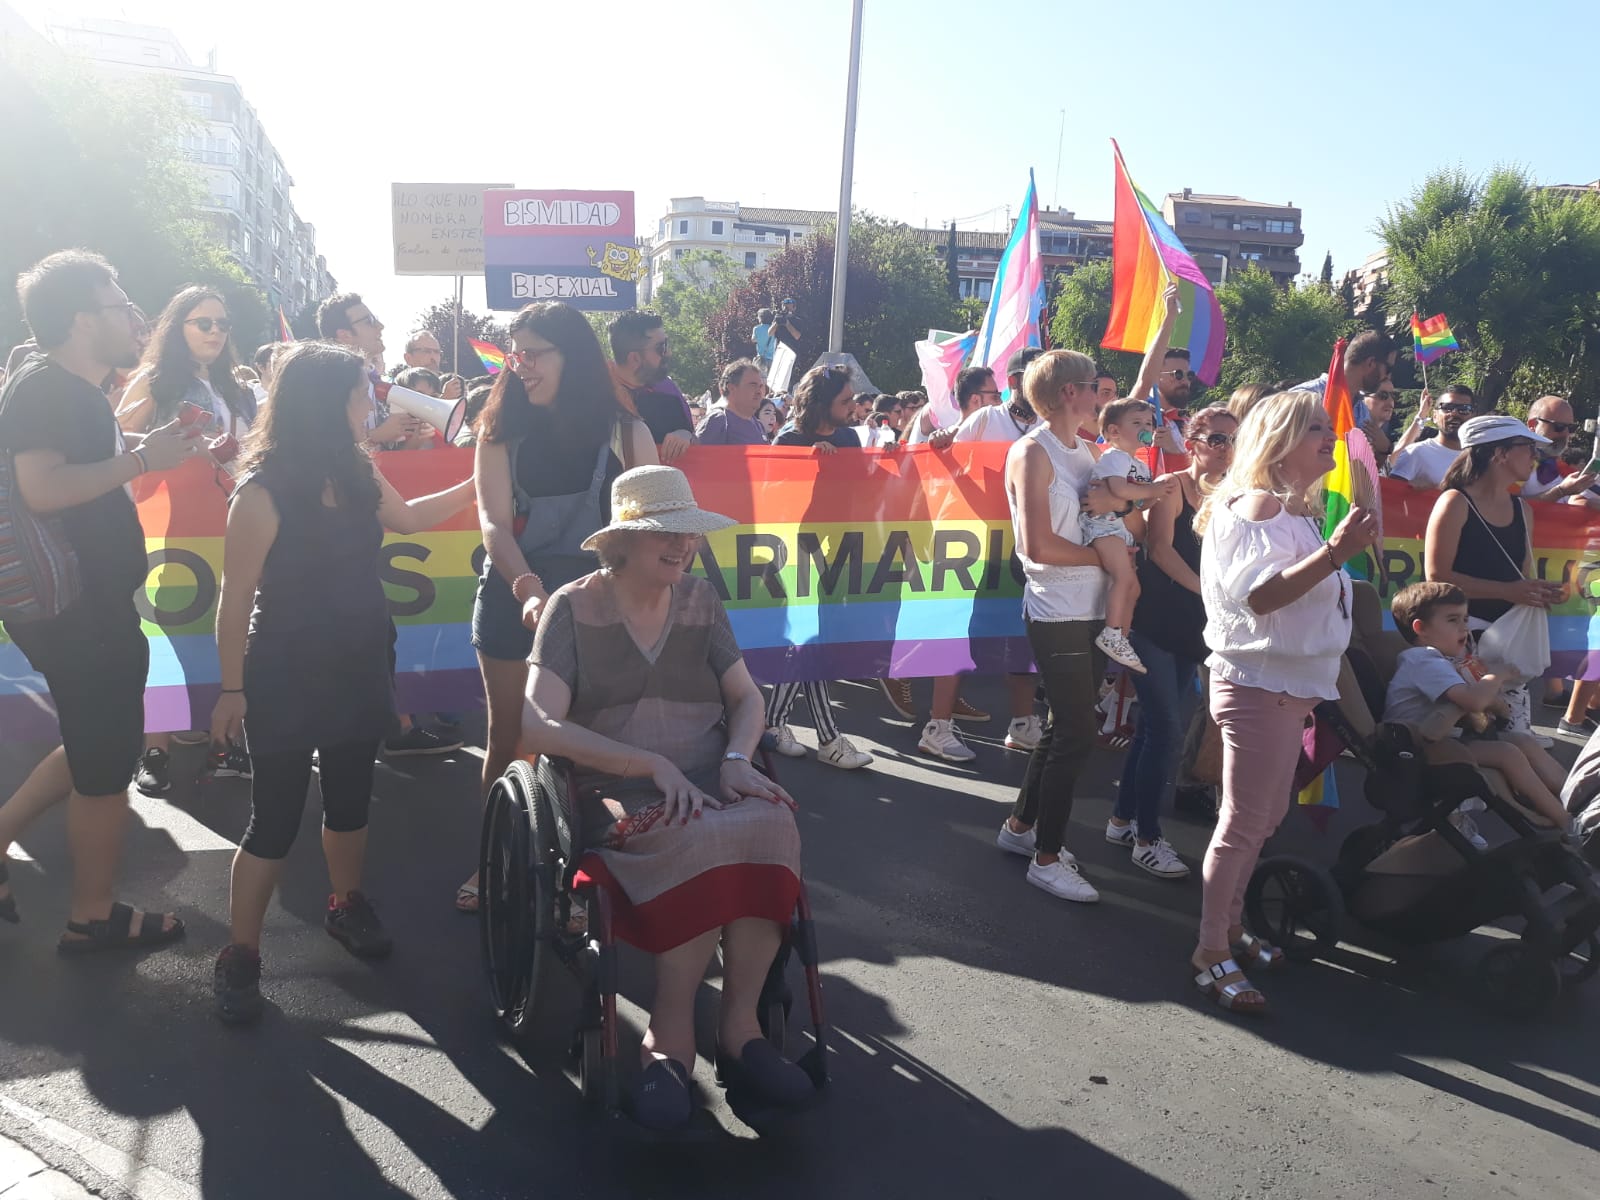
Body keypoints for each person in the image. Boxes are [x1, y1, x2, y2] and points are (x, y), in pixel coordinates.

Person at [522, 465, 811, 1130]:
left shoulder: (701, 600)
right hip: (616, 790)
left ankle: (741, 1032)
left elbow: (746, 697)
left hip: (711, 776)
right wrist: (648, 764)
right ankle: (668, 1037)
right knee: (699, 833)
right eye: (665, 534)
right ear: (622, 540)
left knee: (774, 822)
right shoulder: (574, 606)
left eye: (688, 533)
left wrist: (737, 757)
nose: (682, 545)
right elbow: (536, 724)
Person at [208, 341, 474, 1024]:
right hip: (285, 669)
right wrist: (232, 690)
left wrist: (479, 479)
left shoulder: (359, 470)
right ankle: (241, 953)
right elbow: (235, 599)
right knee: (273, 818)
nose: (374, 402)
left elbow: (412, 518)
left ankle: (345, 903)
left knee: (351, 799)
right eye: (363, 391)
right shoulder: (261, 491)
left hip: (360, 658)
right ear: (330, 401)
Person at [0, 250, 203, 948]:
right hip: (79, 610)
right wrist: (146, 460)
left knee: (97, 743)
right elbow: (44, 488)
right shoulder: (51, 390)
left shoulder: (60, 385)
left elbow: (78, 469)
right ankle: (91, 918)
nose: (135, 317)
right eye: (120, 305)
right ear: (83, 319)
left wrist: (144, 446)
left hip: (80, 606)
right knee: (104, 762)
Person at [458, 302, 658, 913]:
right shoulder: (497, 432)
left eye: (535, 352)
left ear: (572, 356)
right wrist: (527, 591)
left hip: (595, 608)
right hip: (512, 600)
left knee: (584, 746)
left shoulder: (626, 432)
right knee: (510, 737)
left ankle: (576, 874)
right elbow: (494, 523)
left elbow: (650, 527)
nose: (520, 366)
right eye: (515, 353)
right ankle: (493, 861)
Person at [1190, 389, 1378, 1013]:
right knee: (1244, 824)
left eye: (1328, 428)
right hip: (1258, 688)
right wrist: (1336, 554)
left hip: (1287, 689)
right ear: (1280, 443)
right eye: (1315, 430)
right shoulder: (1260, 505)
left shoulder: (1295, 511)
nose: (1330, 438)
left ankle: (1232, 929)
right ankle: (1210, 951)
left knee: (1263, 821)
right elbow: (1262, 599)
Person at [116, 286, 259, 796]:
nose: (216, 332)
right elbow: (112, 437)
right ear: (177, 328)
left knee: (233, 628)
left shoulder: (236, 386)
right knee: (166, 632)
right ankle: (155, 749)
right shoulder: (156, 382)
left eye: (222, 323)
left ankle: (227, 742)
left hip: (233, 522)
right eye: (204, 323)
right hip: (170, 525)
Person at [993, 350, 1114, 904]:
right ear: (1070, 392)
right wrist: (1105, 560)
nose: (1102, 396)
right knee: (1077, 733)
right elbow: (1035, 547)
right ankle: (1048, 857)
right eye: (1095, 387)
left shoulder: (1088, 452)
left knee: (1064, 726)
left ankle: (1020, 829)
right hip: (1055, 609)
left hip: (1091, 608)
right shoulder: (1031, 452)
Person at [1107, 404, 1236, 877]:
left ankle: (1122, 818)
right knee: (1167, 729)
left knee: (1153, 729)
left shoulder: (1231, 494)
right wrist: (1209, 591)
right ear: (1194, 439)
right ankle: (1147, 837)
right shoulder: (1171, 487)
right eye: (1218, 439)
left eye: (1233, 440)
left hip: (1196, 629)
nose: (1227, 449)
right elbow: (1159, 550)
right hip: (1155, 621)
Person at [1383, 581, 1574, 840]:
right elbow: (1473, 701)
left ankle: (1576, 796)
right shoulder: (1424, 661)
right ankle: (1569, 822)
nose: (1464, 627)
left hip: (1445, 737)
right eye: (1453, 620)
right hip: (1419, 745)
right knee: (1507, 753)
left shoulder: (1442, 660)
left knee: (1524, 743)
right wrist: (1497, 676)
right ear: (1422, 629)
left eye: (1465, 618)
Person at [1423, 415, 1563, 741]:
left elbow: (1520, 579)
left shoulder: (1523, 509)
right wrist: (1510, 591)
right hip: (1461, 645)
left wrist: (1537, 594)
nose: (1534, 456)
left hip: (1507, 653)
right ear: (1499, 454)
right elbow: (1436, 578)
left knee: (1515, 745)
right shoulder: (1455, 502)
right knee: (1471, 743)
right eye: (1528, 448)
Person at [765, 366, 873, 770]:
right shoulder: (789, 439)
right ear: (821, 403)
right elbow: (769, 495)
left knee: (815, 639)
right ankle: (828, 738)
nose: (852, 408)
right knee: (811, 637)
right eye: (844, 401)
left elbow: (863, 485)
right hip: (796, 549)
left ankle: (773, 721)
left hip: (838, 548)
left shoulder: (848, 437)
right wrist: (805, 467)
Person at [1081, 398, 1178, 672]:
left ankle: (1120, 638)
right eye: (1136, 423)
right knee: (1123, 578)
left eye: (1148, 423)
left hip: (1121, 530)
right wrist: (1152, 492)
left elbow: (1139, 505)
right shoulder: (1114, 458)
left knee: (1134, 587)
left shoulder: (1143, 466)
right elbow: (1120, 490)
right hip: (1103, 527)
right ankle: (1111, 632)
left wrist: (1158, 494)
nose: (1145, 427)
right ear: (1113, 432)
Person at [317, 294, 416, 450]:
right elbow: (325, 446)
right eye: (369, 321)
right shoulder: (328, 384)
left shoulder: (374, 380)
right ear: (345, 335)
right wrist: (376, 435)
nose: (380, 326)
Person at [609, 311, 694, 462]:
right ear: (635, 358)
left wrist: (685, 435)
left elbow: (695, 442)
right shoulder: (594, 395)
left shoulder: (668, 393)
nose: (668, 353)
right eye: (661, 347)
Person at [1389, 384, 1474, 489]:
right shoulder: (1415, 453)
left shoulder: (1480, 458)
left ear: (1473, 416)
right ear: (1434, 416)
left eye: (1464, 409)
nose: (1454, 413)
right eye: (1447, 408)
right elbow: (1390, 495)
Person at [1521, 395, 1596, 502]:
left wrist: (1585, 503)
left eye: (1570, 428)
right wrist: (1560, 491)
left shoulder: (1567, 470)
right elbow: (1506, 506)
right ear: (1533, 425)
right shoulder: (1514, 463)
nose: (1565, 434)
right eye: (1559, 426)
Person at [696, 360, 768, 446]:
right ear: (731, 388)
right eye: (752, 385)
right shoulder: (717, 421)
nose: (759, 391)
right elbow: (698, 457)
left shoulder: (758, 425)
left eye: (760, 386)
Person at [1361, 381, 1400, 470]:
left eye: (1393, 396)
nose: (1390, 402)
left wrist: (1388, 448)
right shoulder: (1347, 432)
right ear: (1362, 398)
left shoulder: (1390, 438)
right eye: (1382, 395)